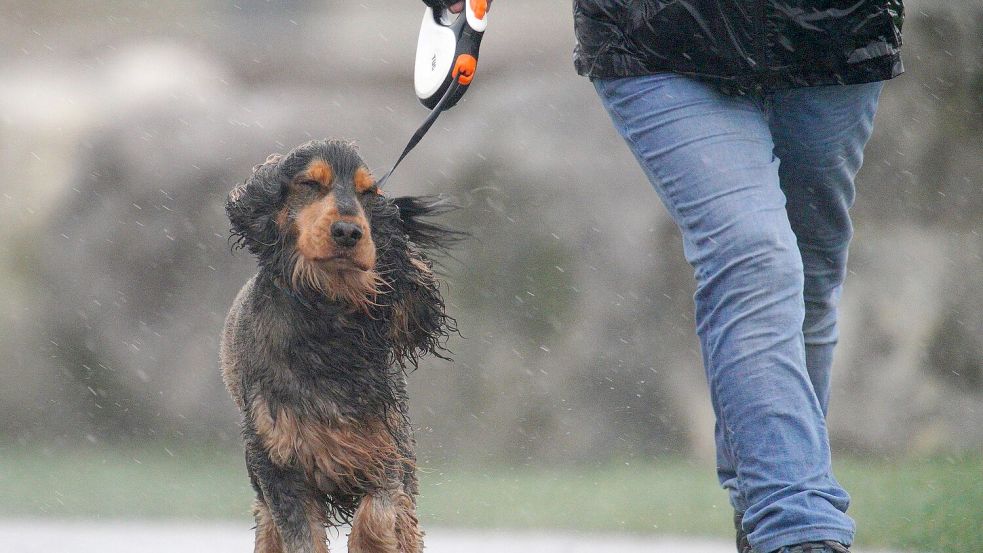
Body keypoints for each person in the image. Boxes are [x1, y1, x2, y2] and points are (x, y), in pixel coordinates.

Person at [425, 2, 904, 552]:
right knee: (752, 255)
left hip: (831, 32)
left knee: (809, 280)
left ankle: (767, 508)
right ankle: (797, 525)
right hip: (657, 31)